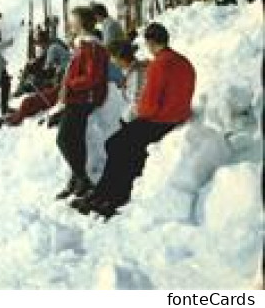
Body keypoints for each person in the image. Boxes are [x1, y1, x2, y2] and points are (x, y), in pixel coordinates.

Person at [73, 23, 195, 217]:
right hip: (175, 117)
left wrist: (137, 115)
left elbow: (149, 105)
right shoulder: (184, 62)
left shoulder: (159, 65)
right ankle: (106, 194)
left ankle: (110, 196)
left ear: (151, 42)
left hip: (159, 121)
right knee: (122, 146)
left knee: (116, 145)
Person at [52, 6, 109, 200]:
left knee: (64, 139)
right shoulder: (83, 45)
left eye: (73, 20)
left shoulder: (91, 46)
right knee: (74, 139)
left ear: (82, 23)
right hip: (80, 97)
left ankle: (82, 178)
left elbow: (91, 77)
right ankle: (77, 179)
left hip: (84, 98)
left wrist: (70, 83)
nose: (70, 23)